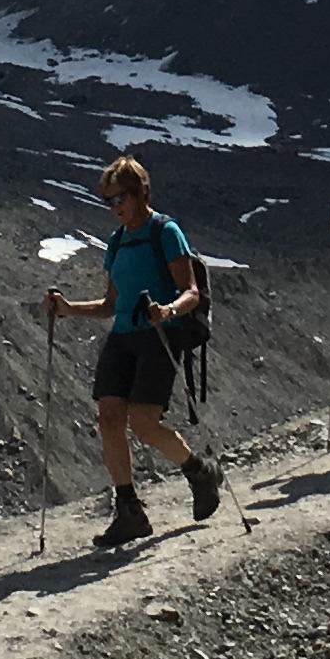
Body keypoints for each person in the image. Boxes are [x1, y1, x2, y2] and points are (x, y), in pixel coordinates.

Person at [41, 154, 224, 547]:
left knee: (142, 424)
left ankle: (199, 471)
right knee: (109, 418)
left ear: (141, 192)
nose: (116, 206)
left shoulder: (166, 231)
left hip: (160, 336)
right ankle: (129, 512)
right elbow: (111, 304)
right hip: (124, 335)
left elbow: (191, 292)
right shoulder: (118, 241)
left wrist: (167, 311)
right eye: (110, 200)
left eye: (120, 197)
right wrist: (68, 308)